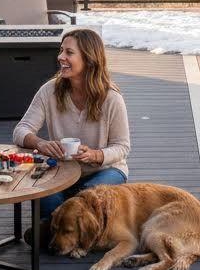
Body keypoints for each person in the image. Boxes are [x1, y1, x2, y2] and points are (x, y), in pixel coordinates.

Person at [13, 28, 130, 247]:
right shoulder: (49, 91)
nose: (61, 57)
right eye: (61, 51)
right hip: (62, 171)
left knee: (91, 196)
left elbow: (122, 147)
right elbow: (21, 130)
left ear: (89, 58)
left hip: (106, 170)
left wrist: (96, 155)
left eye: (69, 52)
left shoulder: (111, 98)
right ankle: (71, 226)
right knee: (45, 196)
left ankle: (53, 228)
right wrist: (41, 143)